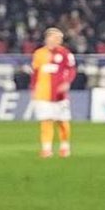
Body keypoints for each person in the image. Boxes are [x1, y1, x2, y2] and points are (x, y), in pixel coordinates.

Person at [30, 27, 76, 158]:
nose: (58, 40)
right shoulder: (39, 54)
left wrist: (67, 82)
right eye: (56, 38)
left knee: (62, 122)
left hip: (60, 95)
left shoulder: (65, 53)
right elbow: (35, 73)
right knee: (46, 121)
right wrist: (33, 88)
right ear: (48, 38)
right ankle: (46, 149)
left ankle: (64, 146)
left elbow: (72, 70)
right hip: (43, 93)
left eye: (60, 39)